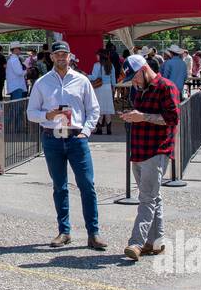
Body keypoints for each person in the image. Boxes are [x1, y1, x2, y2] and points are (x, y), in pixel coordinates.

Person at [27, 41, 106, 250]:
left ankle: (93, 232)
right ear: (51, 57)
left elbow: (94, 109)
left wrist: (85, 131)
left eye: (65, 54)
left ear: (70, 56)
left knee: (87, 185)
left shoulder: (81, 81)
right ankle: (64, 231)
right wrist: (47, 115)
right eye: (57, 54)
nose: (61, 57)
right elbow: (30, 113)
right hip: (52, 137)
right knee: (59, 186)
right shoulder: (42, 83)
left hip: (75, 138)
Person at [117, 54, 181, 261]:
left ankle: (136, 243)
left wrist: (143, 117)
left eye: (134, 77)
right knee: (153, 196)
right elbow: (142, 114)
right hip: (139, 149)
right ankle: (156, 242)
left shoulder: (166, 87)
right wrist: (131, 115)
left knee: (147, 198)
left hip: (157, 149)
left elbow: (172, 119)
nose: (133, 82)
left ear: (144, 69)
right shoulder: (139, 90)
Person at [88, 49, 117, 135]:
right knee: (107, 109)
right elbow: (113, 79)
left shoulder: (96, 65)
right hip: (108, 88)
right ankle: (109, 130)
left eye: (97, 55)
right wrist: (113, 88)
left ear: (100, 56)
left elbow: (93, 77)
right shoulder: (110, 65)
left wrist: (85, 75)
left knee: (100, 109)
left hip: (100, 88)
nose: (96, 56)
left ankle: (99, 129)